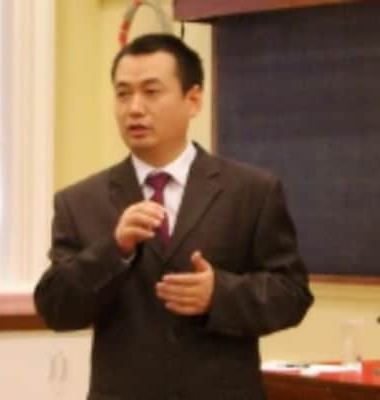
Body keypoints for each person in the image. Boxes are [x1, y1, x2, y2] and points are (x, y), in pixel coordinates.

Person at [34, 33, 313, 400]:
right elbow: (56, 309)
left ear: (193, 100)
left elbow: (292, 294)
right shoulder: (81, 201)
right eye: (123, 94)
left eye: (151, 92)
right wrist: (113, 249)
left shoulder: (251, 191)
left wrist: (220, 294)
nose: (134, 108)